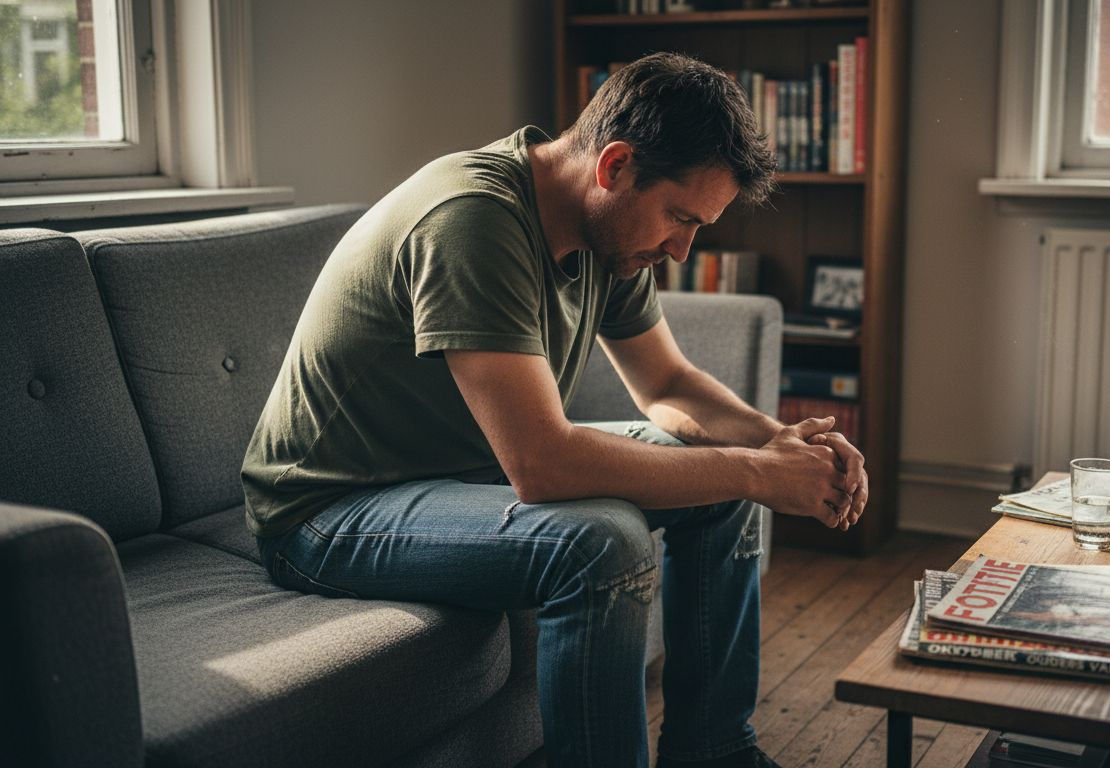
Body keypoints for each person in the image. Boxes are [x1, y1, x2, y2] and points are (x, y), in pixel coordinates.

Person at [241, 52, 868, 768]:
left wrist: (784, 443)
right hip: (330, 511)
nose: (682, 249)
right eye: (679, 218)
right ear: (615, 166)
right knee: (602, 544)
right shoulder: (473, 218)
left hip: (461, 472)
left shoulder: (609, 233)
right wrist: (757, 474)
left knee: (721, 480)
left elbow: (667, 385)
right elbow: (541, 464)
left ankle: (715, 752)